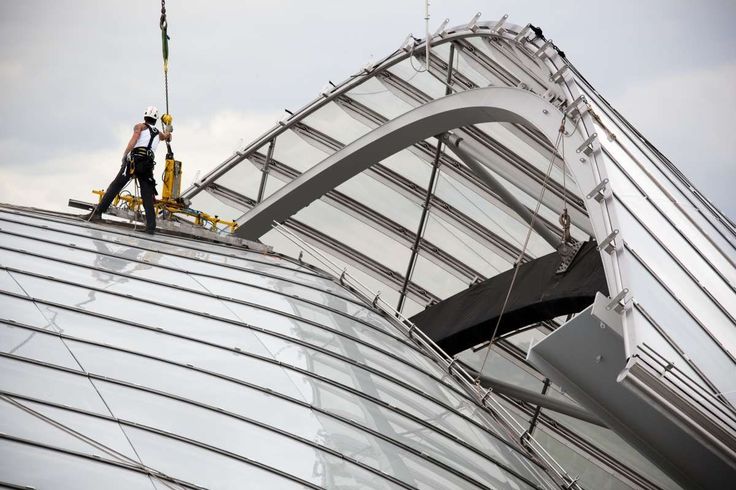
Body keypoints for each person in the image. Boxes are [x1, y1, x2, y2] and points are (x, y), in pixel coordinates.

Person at [87, 106, 172, 234]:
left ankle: (97, 213)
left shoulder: (140, 126)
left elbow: (134, 140)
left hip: (134, 161)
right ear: (155, 119)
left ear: (145, 116)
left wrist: (125, 155)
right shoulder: (158, 133)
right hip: (147, 165)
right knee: (147, 195)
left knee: (115, 186)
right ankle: (150, 227)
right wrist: (169, 128)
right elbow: (167, 137)